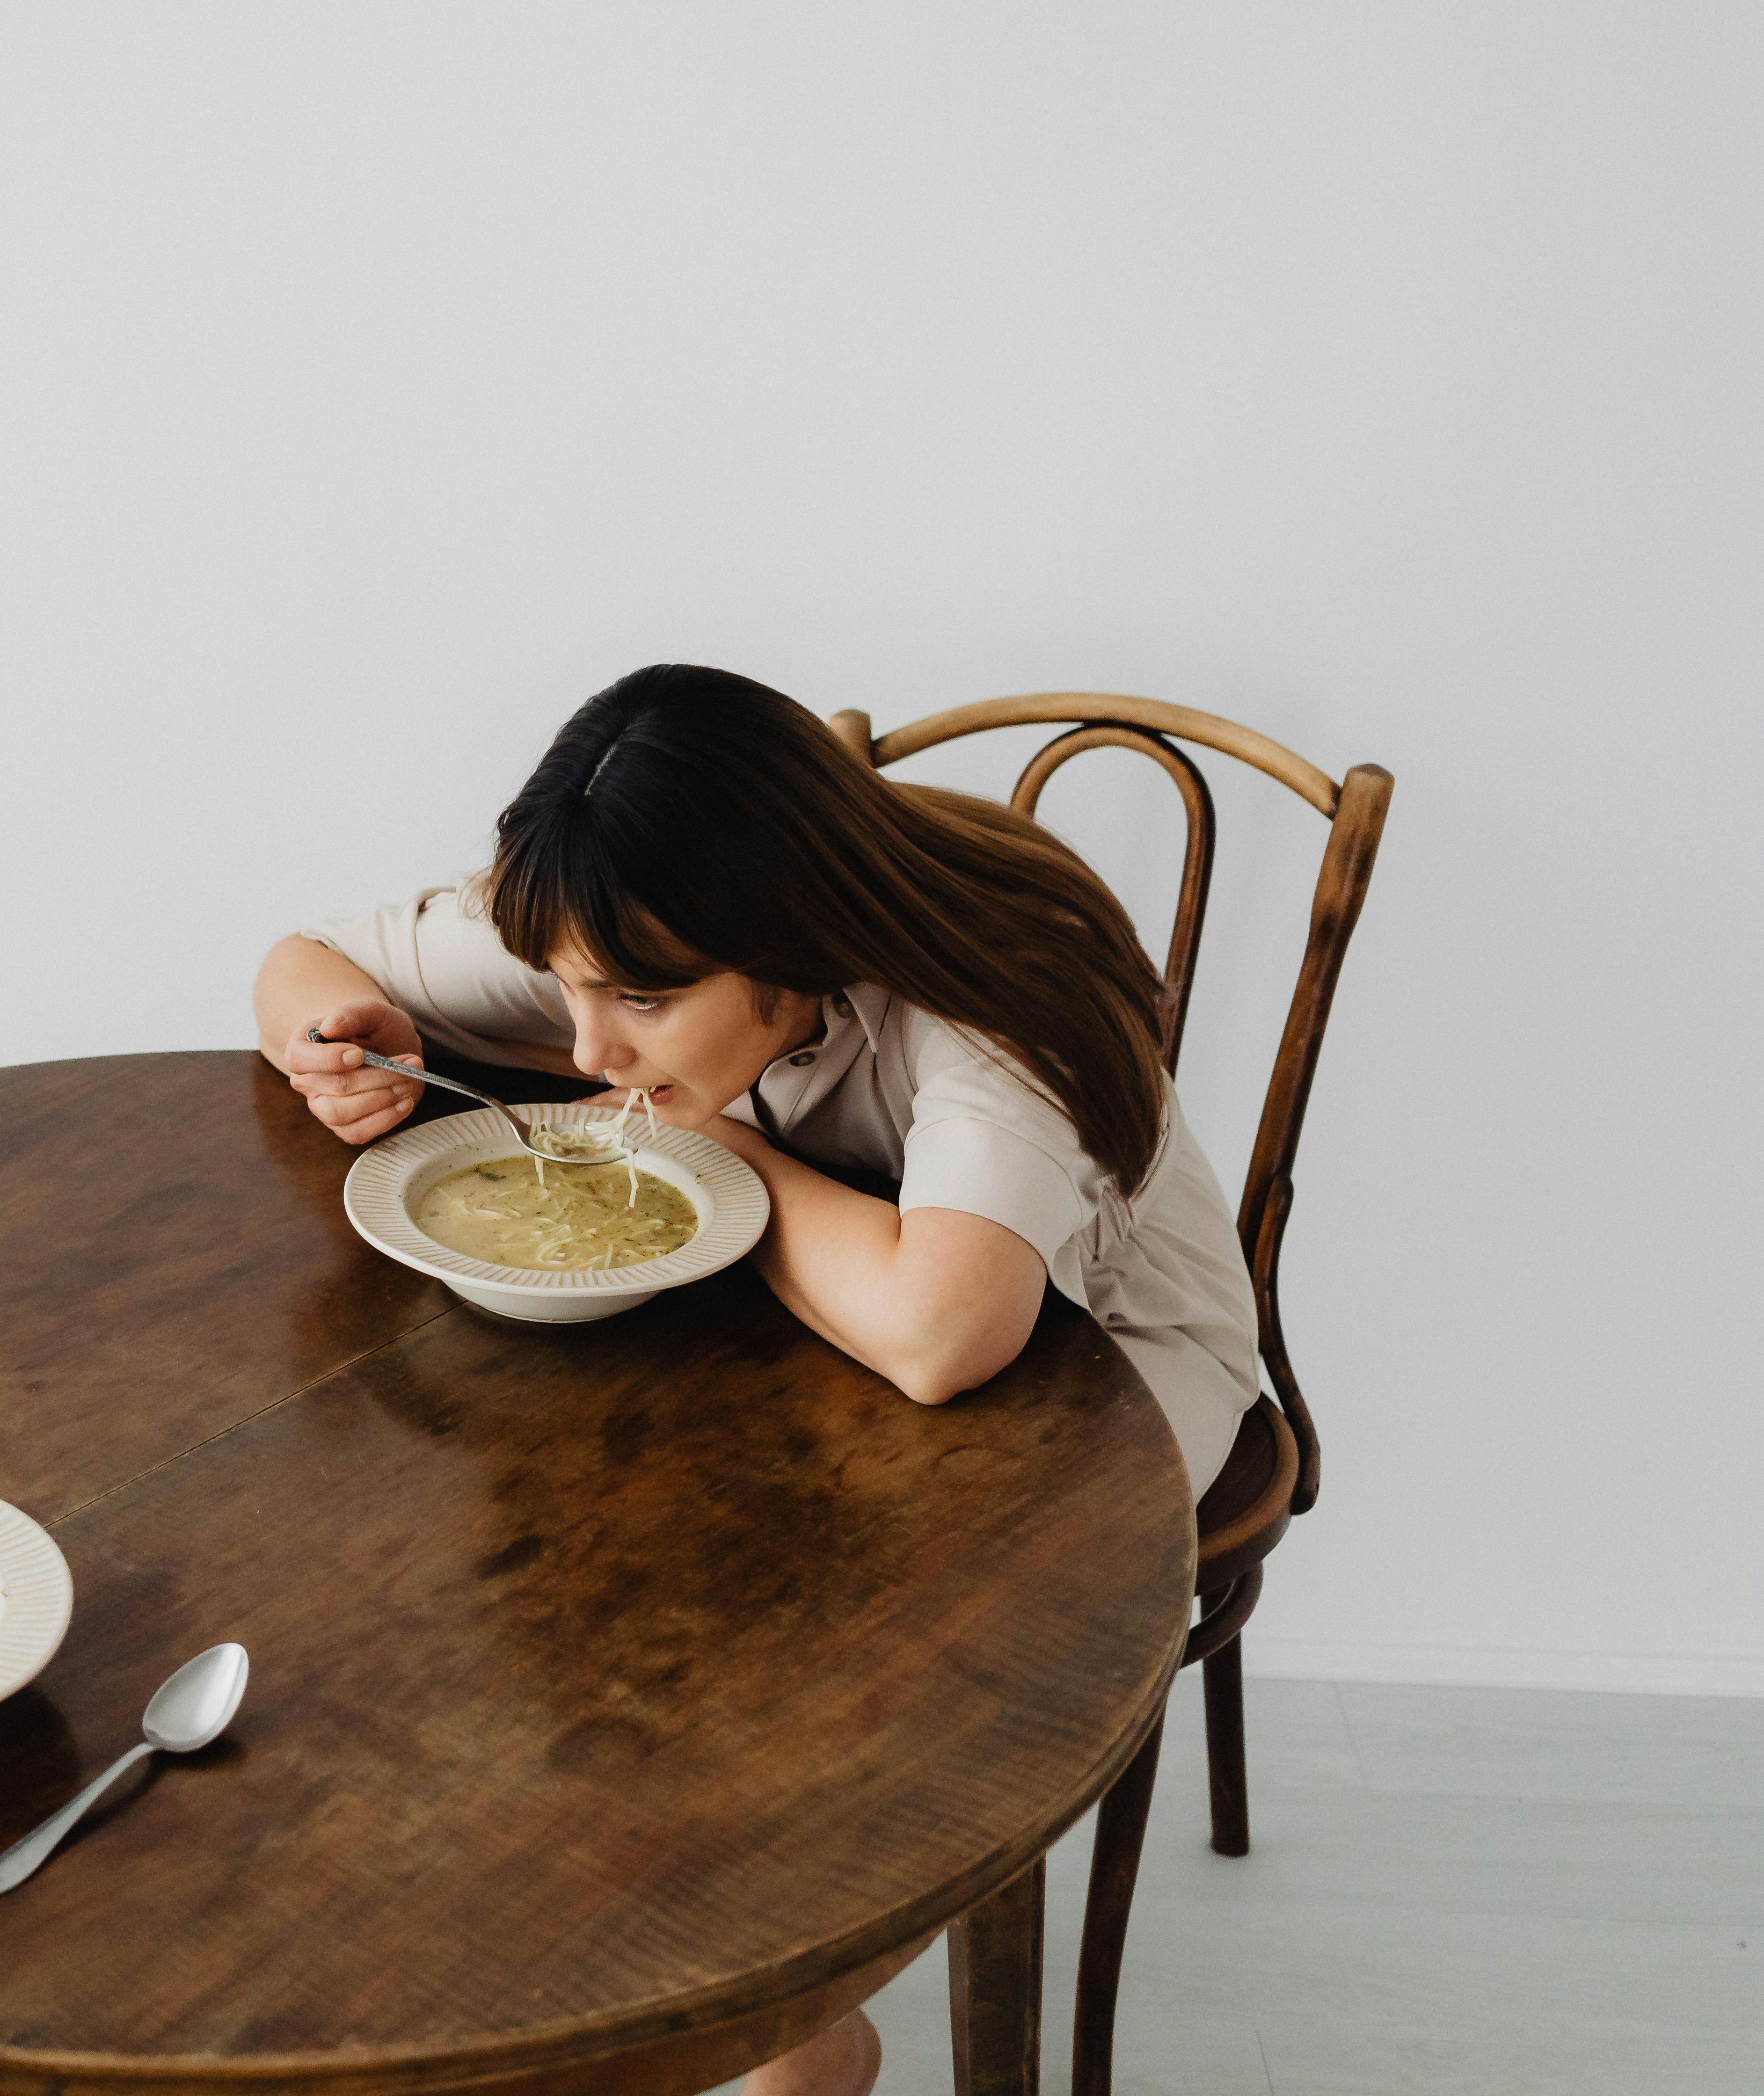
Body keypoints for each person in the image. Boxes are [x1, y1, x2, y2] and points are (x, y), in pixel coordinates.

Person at [250, 664, 1261, 2096]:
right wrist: (351, 1048)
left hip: (1105, 1382)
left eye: (639, 1005)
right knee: (547, 1532)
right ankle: (687, 1960)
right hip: (820, 1330)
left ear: (795, 957)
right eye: (565, 992)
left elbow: (939, 1333)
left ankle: (793, 2023)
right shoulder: (634, 909)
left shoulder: (994, 1002)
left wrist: (720, 1153)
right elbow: (297, 960)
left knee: (805, 1619)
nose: (588, 1047)